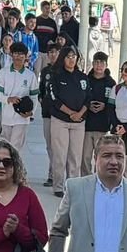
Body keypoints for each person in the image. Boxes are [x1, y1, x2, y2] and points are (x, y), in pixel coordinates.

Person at [45, 44, 89, 196]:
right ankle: (58, 186)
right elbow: (53, 99)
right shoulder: (55, 76)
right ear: (63, 58)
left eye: (73, 57)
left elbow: (88, 98)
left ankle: (72, 187)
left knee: (75, 157)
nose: (71, 60)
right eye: (68, 57)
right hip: (60, 121)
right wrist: (70, 113)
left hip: (79, 122)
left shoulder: (83, 77)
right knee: (60, 155)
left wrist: (79, 113)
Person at [0, 40, 37, 153]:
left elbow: (34, 97)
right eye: (16, 53)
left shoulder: (30, 75)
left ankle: (15, 165)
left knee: (15, 149)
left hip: (22, 119)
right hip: (6, 117)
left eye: (21, 54)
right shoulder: (3, 72)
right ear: (11, 54)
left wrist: (31, 113)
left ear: (26, 56)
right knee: (4, 148)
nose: (18, 57)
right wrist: (8, 99)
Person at [81, 52, 116, 176]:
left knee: (101, 157)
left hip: (102, 125)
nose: (99, 66)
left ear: (106, 65)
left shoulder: (111, 83)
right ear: (92, 63)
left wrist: (104, 106)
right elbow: (80, 98)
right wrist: (88, 105)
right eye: (96, 62)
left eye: (102, 63)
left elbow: (114, 104)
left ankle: (99, 179)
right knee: (85, 156)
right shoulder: (86, 80)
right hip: (87, 124)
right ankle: (86, 179)